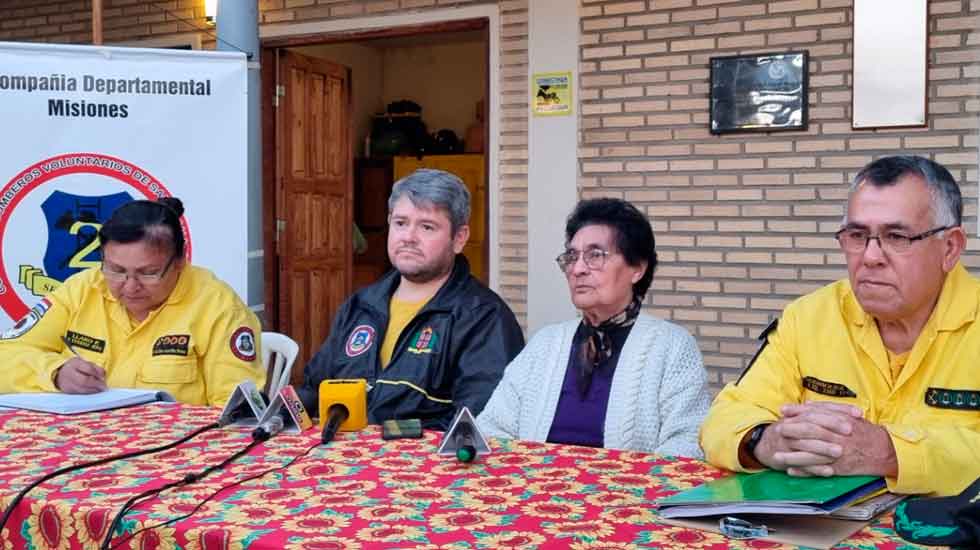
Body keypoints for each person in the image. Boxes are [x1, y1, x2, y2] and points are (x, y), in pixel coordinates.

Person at [700, 155, 980, 497]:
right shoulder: (809, 317)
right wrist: (765, 440)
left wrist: (893, 454)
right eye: (857, 235)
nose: (870, 257)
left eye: (896, 237)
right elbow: (722, 419)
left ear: (950, 247)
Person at [477, 198, 710, 457]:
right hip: (535, 491)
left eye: (595, 256)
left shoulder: (672, 346)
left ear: (637, 269)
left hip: (631, 494)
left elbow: (688, 441)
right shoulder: (546, 343)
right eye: (572, 256)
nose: (577, 269)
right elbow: (491, 429)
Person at [297, 169, 524, 430]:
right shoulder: (361, 305)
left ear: (459, 238)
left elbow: (475, 425)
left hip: (427, 467)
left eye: (426, 227)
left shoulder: (484, 317)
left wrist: (390, 438)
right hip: (341, 462)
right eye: (401, 223)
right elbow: (314, 389)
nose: (408, 237)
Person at [0, 197, 265, 407]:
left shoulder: (217, 306)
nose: (129, 286)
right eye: (115, 270)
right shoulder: (83, 289)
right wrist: (55, 373)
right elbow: (6, 355)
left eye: (148, 273)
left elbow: (237, 409)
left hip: (173, 454)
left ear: (181, 262)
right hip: (77, 443)